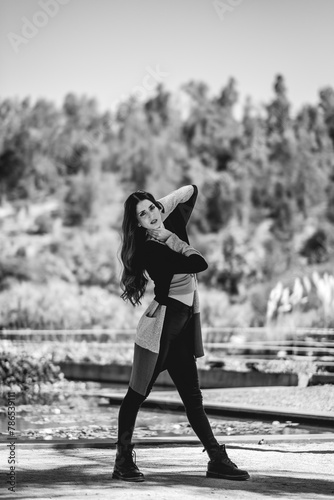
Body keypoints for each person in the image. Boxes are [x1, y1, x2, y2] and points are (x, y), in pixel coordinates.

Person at [112, 184, 250, 482]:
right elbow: (198, 262)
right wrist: (171, 237)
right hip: (161, 329)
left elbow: (192, 191)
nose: (149, 215)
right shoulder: (151, 248)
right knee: (136, 395)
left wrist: (158, 206)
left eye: (151, 209)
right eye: (142, 214)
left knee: (193, 399)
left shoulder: (166, 221)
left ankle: (216, 460)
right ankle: (122, 460)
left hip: (182, 327)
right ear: (136, 222)